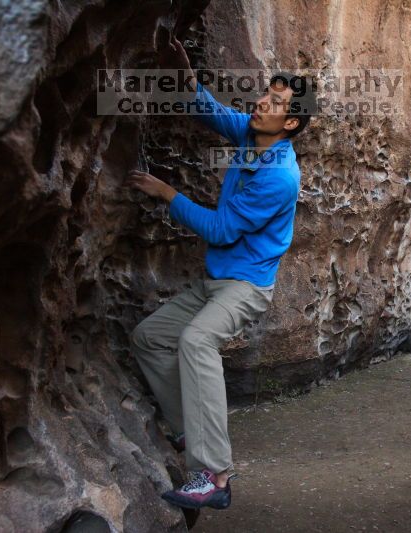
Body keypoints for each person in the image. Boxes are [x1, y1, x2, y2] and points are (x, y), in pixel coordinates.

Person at [125, 31, 316, 510]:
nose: (260, 103)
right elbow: (210, 111)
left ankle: (214, 475)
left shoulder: (279, 175)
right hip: (216, 282)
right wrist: (187, 77)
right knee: (150, 337)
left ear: (290, 122)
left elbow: (221, 229)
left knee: (196, 339)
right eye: (265, 95)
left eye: (273, 102)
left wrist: (167, 194)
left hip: (246, 287)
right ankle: (194, 431)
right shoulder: (252, 135)